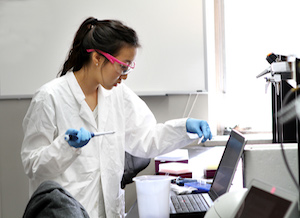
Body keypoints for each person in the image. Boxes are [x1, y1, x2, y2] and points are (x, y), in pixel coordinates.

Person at [21, 17, 212, 218]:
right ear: (97, 58)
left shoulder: (117, 95)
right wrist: (66, 146)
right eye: (123, 66)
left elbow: (146, 138)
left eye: (130, 67)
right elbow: (33, 165)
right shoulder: (49, 97)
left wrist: (185, 127)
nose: (125, 75)